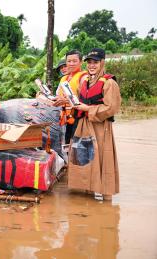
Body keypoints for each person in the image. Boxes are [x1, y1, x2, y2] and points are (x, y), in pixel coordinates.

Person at [70, 48, 121, 201]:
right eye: (90, 62)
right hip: (83, 126)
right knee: (85, 160)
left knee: (103, 160)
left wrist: (88, 109)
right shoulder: (84, 81)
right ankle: (88, 195)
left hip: (100, 127)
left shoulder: (109, 83)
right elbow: (79, 99)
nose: (92, 65)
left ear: (102, 63)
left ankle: (106, 200)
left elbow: (111, 107)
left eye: (95, 62)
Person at [53, 50, 87, 144]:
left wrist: (66, 100)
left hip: (78, 117)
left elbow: (86, 100)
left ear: (81, 62)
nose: (71, 64)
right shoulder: (64, 78)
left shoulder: (84, 77)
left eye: (74, 61)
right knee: (66, 145)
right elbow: (58, 96)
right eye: (69, 61)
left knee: (76, 146)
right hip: (64, 117)